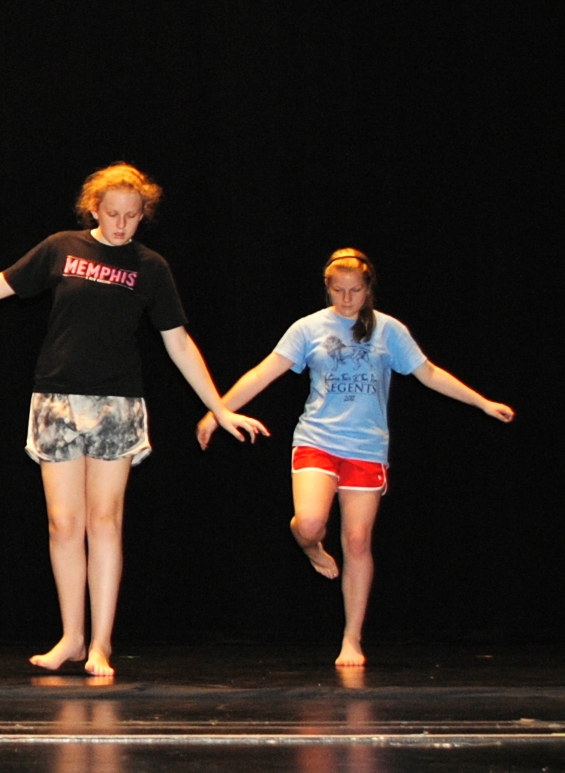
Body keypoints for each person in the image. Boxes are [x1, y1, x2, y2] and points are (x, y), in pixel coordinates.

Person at [0, 163, 267, 677]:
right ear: (93, 209)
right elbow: (1, 285)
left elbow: (178, 342)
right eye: (112, 214)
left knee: (104, 521)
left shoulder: (150, 267)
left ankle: (101, 643)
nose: (121, 226)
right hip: (56, 399)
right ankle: (71, 636)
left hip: (116, 405)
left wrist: (218, 405)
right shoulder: (62, 248)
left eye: (132, 217)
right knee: (64, 523)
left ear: (144, 216)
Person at [195, 248, 514, 668]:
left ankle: (351, 637)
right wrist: (217, 412)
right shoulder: (308, 328)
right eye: (338, 291)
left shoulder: (388, 331)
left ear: (368, 290)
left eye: (355, 291)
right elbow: (263, 372)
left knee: (358, 541)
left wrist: (482, 403)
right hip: (318, 438)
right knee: (310, 523)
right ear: (327, 288)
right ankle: (310, 548)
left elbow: (429, 373)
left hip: (366, 447)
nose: (346, 300)